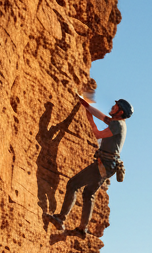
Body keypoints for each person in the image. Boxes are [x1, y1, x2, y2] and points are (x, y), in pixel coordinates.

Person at [47, 96, 132, 237]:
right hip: (108, 165)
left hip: (104, 165)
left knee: (73, 185)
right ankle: (82, 230)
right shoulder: (115, 122)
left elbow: (97, 134)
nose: (113, 106)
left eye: (116, 106)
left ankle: (61, 219)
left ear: (120, 112)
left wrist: (90, 120)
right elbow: (101, 115)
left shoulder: (118, 125)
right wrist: (85, 104)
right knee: (88, 193)